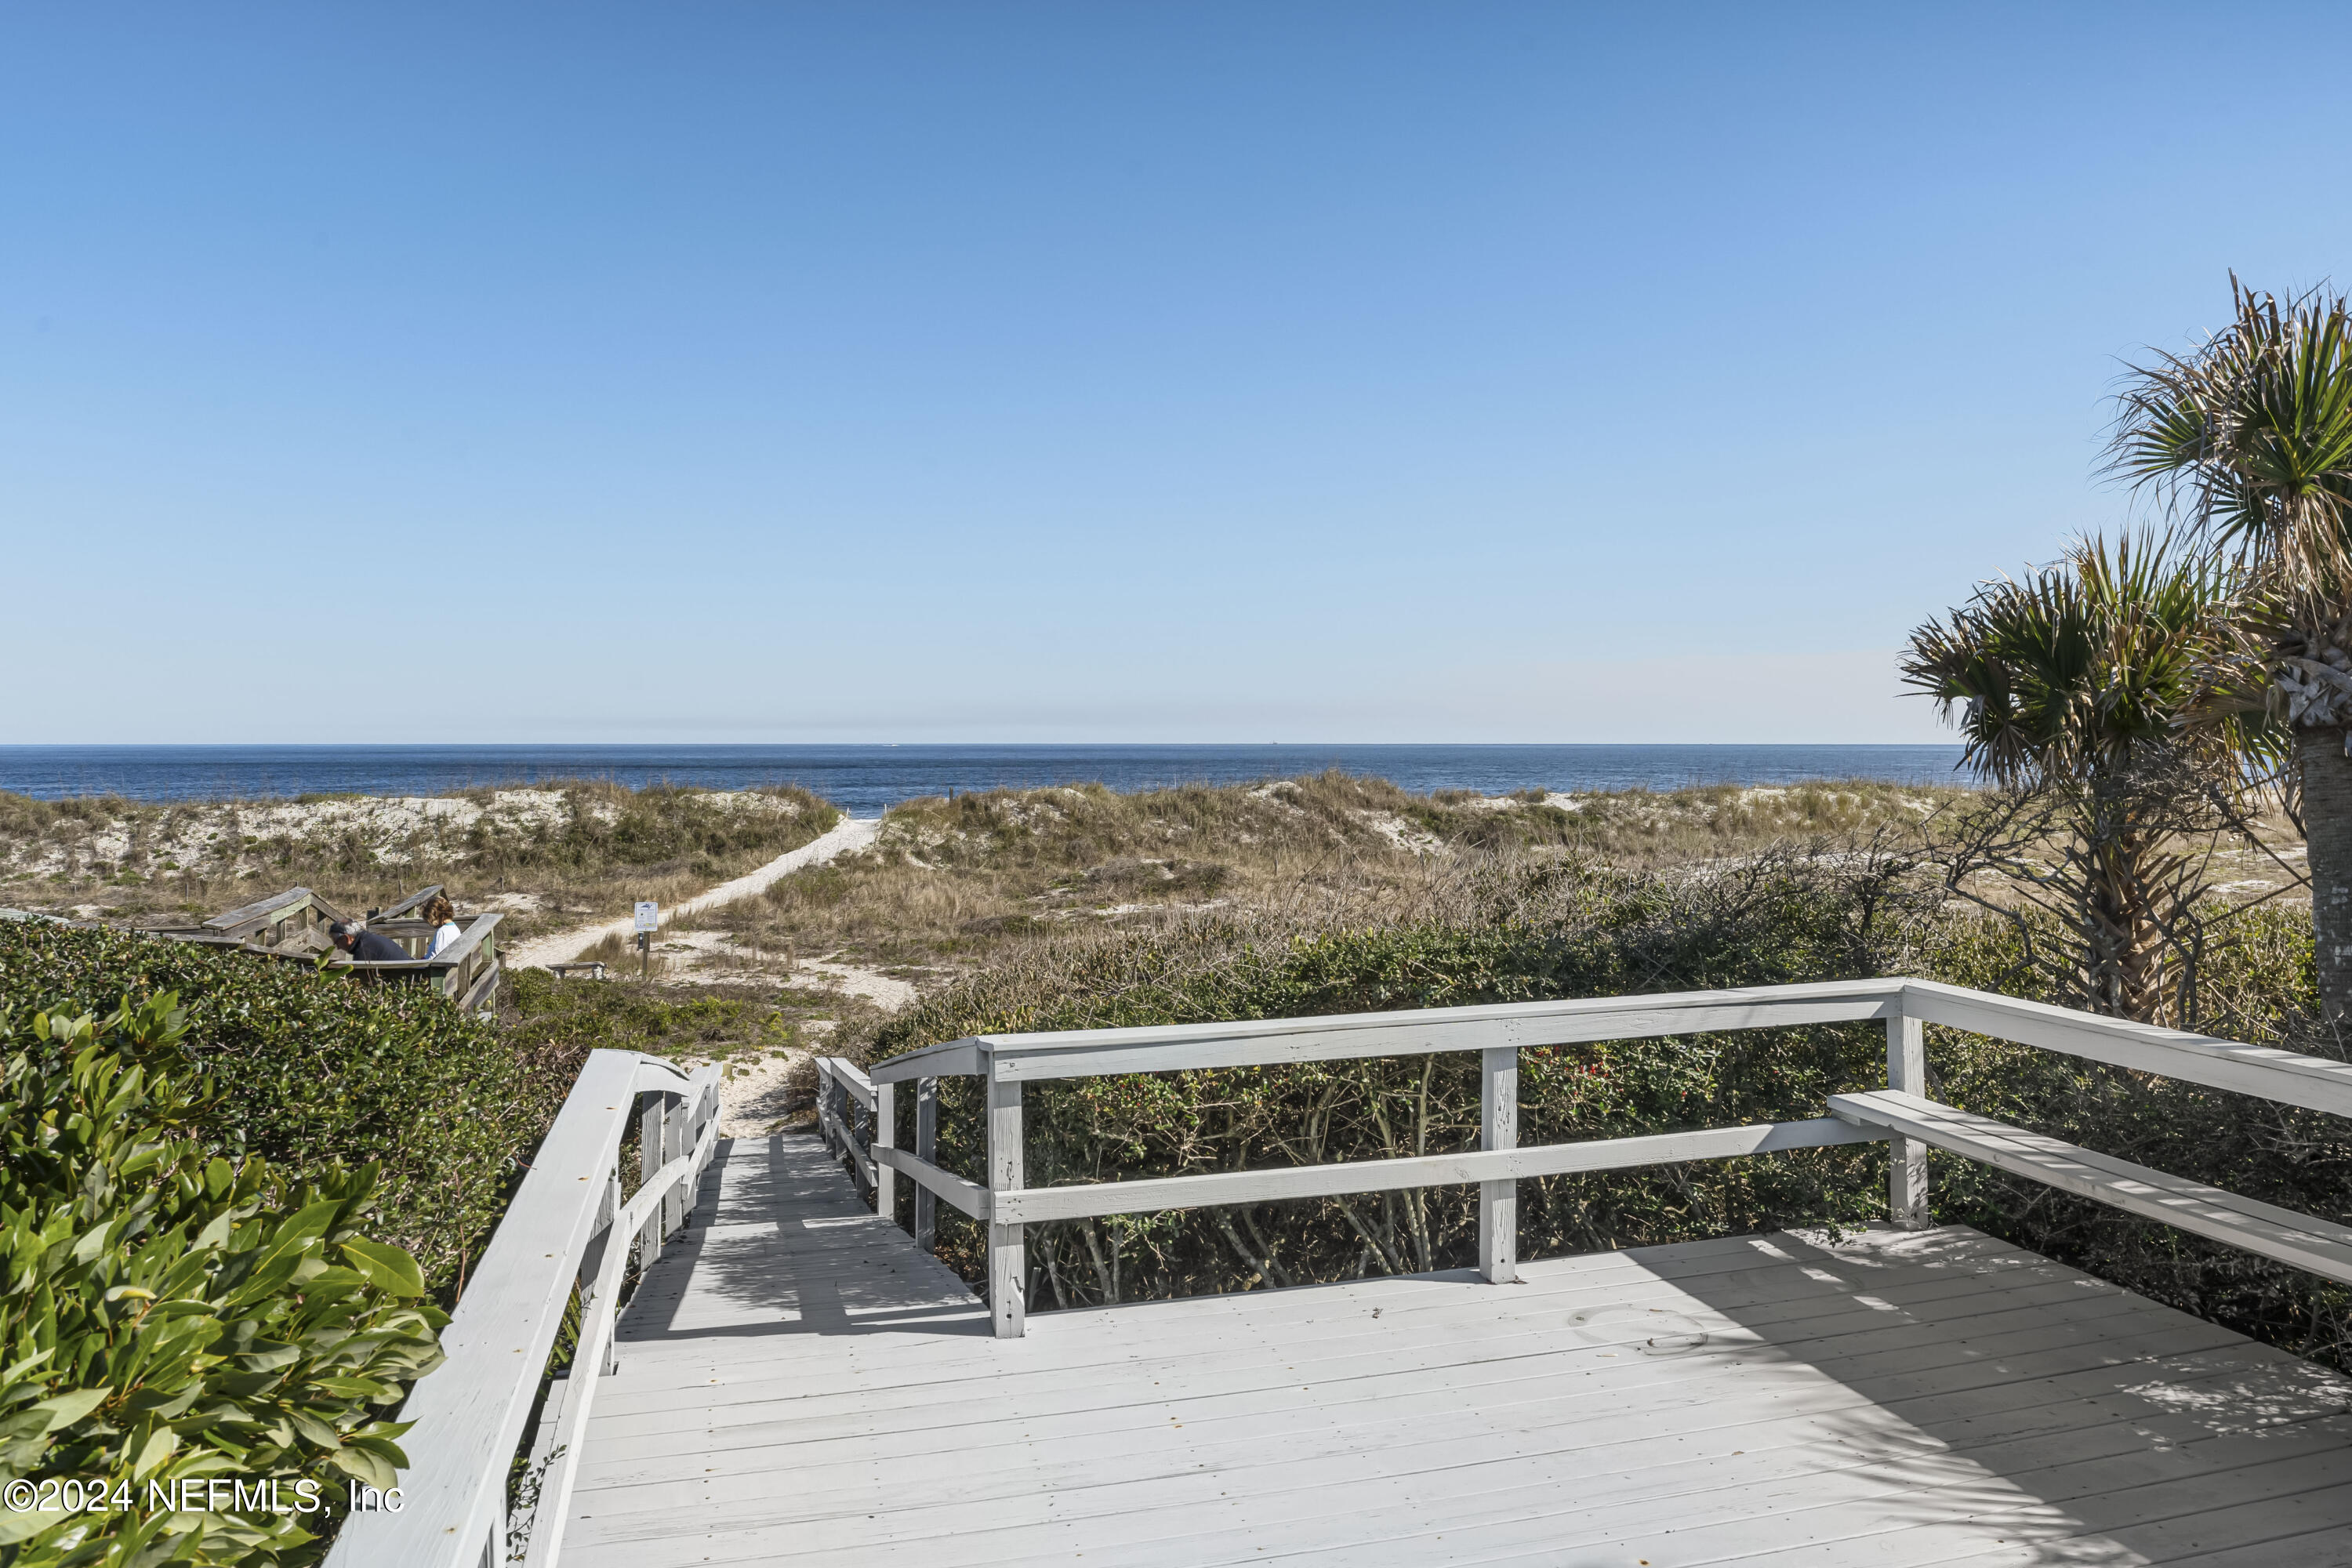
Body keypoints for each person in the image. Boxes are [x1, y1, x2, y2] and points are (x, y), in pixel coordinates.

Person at [328, 921, 411, 964]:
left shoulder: (364, 949)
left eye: (337, 942)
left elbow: (360, 981)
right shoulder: (369, 939)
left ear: (347, 938)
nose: (338, 947)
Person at [421, 895, 461, 960]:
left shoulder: (443, 931)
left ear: (440, 916)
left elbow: (437, 957)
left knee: (398, 950)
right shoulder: (454, 928)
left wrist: (421, 961)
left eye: (432, 921)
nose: (432, 924)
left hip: (429, 967)